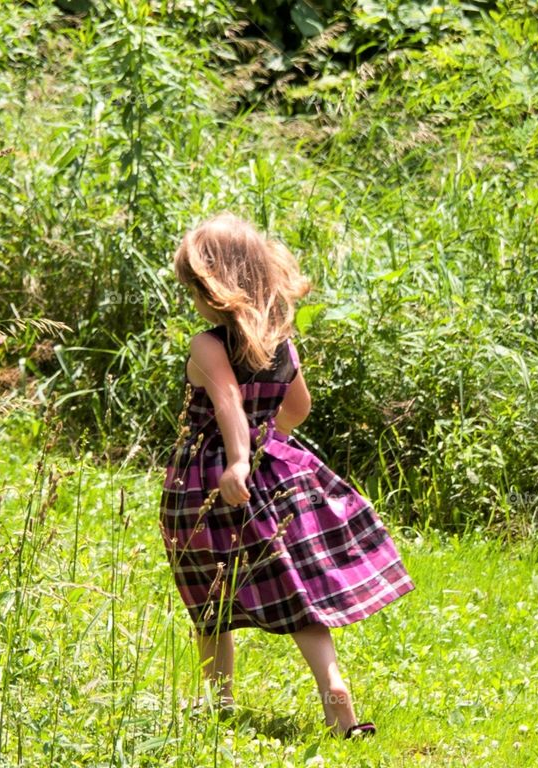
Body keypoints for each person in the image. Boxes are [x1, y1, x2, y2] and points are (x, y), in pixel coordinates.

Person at [159, 212, 416, 739]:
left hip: (205, 484)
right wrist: (262, 436)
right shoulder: (281, 344)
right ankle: (333, 688)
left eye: (195, 290)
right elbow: (298, 409)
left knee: (211, 598)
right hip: (272, 475)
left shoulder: (207, 344)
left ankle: (218, 701)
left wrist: (236, 459)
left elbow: (227, 402)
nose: (193, 301)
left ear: (217, 287)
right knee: (295, 593)